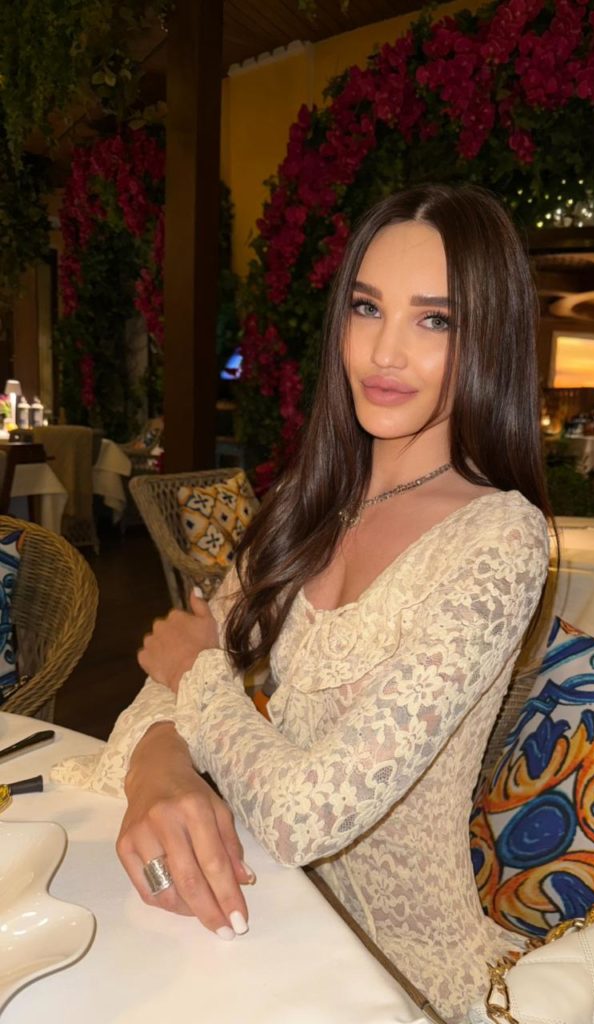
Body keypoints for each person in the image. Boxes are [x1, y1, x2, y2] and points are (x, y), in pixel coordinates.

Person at [53, 184, 551, 1022]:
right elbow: (169, 675)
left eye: (435, 320)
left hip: (397, 977)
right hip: (258, 909)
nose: (384, 351)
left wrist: (199, 675)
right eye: (367, 308)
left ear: (490, 339)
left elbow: (304, 814)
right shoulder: (311, 500)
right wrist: (159, 766)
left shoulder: (501, 539)